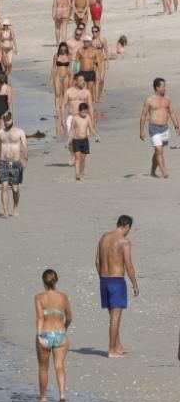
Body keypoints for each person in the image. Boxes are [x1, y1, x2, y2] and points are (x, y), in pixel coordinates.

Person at [96, 215, 139, 358]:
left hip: (104, 280)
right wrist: (134, 284)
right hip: (116, 281)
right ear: (127, 227)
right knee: (116, 316)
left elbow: (97, 261)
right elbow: (129, 265)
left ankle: (117, 345)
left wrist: (102, 276)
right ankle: (111, 350)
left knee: (114, 315)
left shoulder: (104, 237)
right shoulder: (124, 242)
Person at [35, 269, 72, 402]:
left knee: (43, 368)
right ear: (56, 280)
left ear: (43, 282)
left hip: (45, 334)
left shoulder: (39, 297)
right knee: (60, 366)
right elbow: (69, 317)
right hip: (60, 335)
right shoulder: (63, 297)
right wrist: (65, 328)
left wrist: (39, 336)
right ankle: (62, 395)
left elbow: (40, 318)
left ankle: (43, 396)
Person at [139, 78, 180, 178]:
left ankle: (153, 171)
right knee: (159, 150)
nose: (165, 88)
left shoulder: (167, 99)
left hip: (165, 128)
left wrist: (177, 126)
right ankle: (164, 171)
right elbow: (143, 115)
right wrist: (141, 131)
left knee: (158, 151)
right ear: (157, 87)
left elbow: (172, 112)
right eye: (163, 86)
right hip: (154, 128)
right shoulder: (149, 100)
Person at [0, 112, 28, 218]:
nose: (7, 122)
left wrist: (25, 159)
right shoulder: (0, 133)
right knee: (4, 186)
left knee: (15, 189)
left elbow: (25, 146)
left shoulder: (20, 132)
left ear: (12, 120)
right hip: (3, 163)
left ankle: (16, 206)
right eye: (5, 120)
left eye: (8, 120)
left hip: (16, 163)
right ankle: (5, 211)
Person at [68, 103, 97, 181]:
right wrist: (69, 140)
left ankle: (81, 173)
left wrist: (96, 136)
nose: (84, 113)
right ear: (79, 111)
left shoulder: (88, 118)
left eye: (86, 111)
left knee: (83, 159)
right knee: (77, 158)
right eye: (83, 111)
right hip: (76, 140)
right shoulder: (75, 118)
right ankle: (77, 174)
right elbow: (72, 130)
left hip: (85, 141)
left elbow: (91, 128)